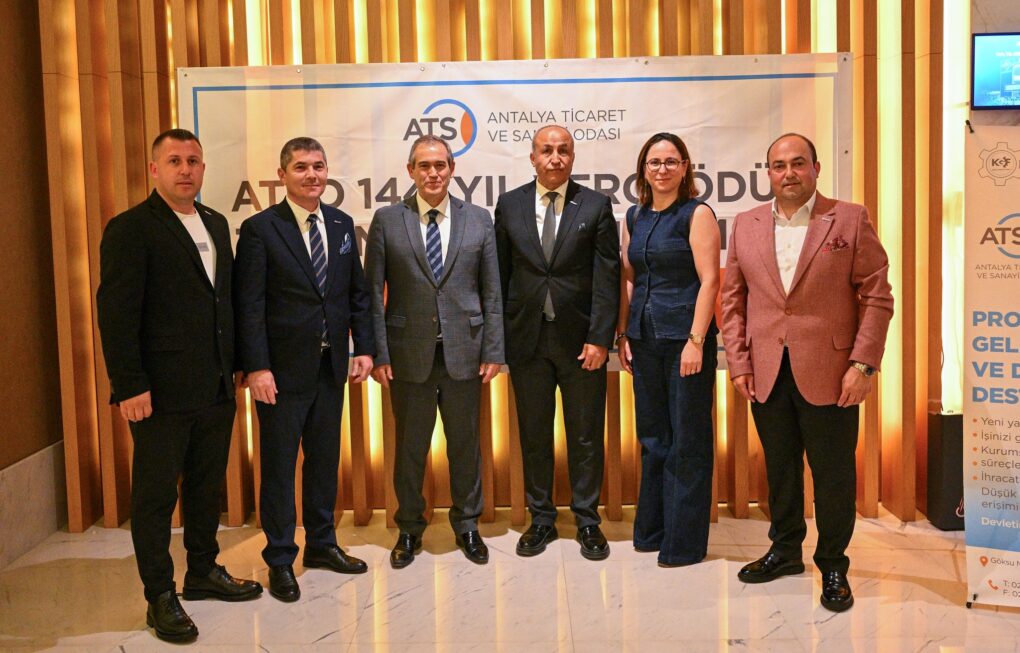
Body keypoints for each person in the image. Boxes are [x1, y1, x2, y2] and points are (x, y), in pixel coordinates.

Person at [97, 128, 262, 643]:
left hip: (215, 385)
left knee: (205, 486)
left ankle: (202, 571)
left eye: (193, 161)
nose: (185, 169)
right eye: (174, 161)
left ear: (203, 168)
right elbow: (116, 314)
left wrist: (237, 363)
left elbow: (224, 302)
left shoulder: (215, 223)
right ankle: (159, 595)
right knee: (154, 497)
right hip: (159, 393)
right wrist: (129, 384)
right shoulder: (131, 228)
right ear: (155, 170)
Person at [721, 133, 893, 612]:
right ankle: (785, 550)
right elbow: (732, 301)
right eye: (779, 166)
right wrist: (739, 363)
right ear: (768, 173)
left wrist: (863, 365)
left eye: (798, 163)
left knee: (833, 475)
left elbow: (877, 296)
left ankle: (833, 563)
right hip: (766, 371)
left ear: (816, 168)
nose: (789, 173)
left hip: (833, 372)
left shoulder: (849, 218)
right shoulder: (747, 224)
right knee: (780, 469)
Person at [234, 137, 374, 602]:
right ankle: (279, 558)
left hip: (330, 367)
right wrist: (257, 367)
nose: (311, 175)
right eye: (300, 167)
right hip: (280, 373)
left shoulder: (340, 224)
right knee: (278, 467)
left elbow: (356, 294)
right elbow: (249, 305)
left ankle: (321, 544)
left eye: (318, 166)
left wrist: (363, 348)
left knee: (323, 461)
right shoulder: (260, 229)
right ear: (283, 175)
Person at [365, 135, 503, 568]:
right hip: (407, 356)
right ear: (410, 171)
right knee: (410, 449)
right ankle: (409, 528)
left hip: (466, 353)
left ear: (452, 169)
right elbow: (372, 295)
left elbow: (492, 291)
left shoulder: (478, 219)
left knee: (465, 446)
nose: (433, 173)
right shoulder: (388, 220)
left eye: (440, 165)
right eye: (424, 166)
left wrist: (494, 350)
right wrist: (380, 354)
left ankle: (467, 525)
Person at [494, 125, 620, 560]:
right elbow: (500, 276)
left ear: (573, 157)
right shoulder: (509, 205)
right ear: (532, 158)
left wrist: (600, 338)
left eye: (563, 150)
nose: (555, 158)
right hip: (527, 341)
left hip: (581, 343)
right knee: (534, 434)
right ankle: (542, 518)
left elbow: (607, 277)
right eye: (546, 150)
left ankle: (587, 520)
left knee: (585, 435)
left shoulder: (596, 205)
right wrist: (501, 338)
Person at [616, 132, 720, 567]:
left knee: (687, 441)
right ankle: (652, 531)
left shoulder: (697, 214)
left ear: (685, 168)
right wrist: (624, 333)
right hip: (644, 341)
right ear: (643, 169)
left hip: (685, 342)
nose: (662, 169)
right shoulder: (634, 216)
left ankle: (684, 543)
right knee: (654, 438)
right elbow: (630, 278)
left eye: (671, 161)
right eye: (654, 162)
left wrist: (696, 341)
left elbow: (710, 280)